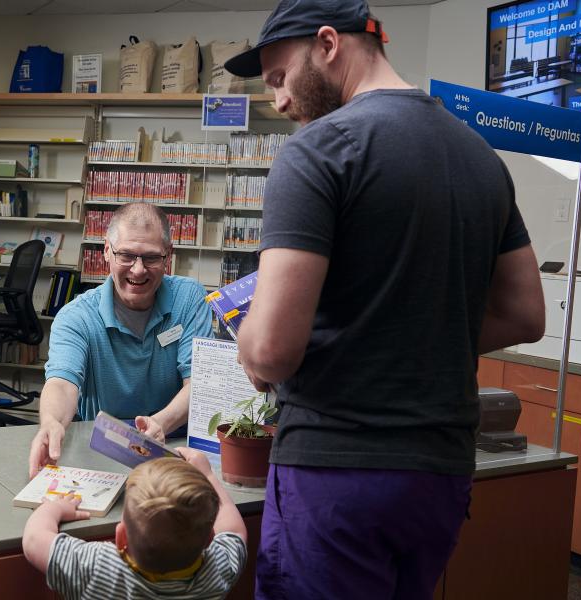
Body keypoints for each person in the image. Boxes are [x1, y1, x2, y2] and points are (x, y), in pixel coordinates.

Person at [224, 1, 545, 598]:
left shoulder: (317, 152)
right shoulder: (481, 157)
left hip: (336, 472)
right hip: (441, 473)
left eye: (279, 78)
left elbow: (270, 353)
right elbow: (525, 315)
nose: (279, 100)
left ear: (327, 44)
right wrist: (410, 326)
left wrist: (246, 331)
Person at [28, 203, 213, 477]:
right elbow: (62, 383)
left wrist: (159, 424)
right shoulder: (75, 317)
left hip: (174, 450)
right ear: (106, 251)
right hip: (100, 453)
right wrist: (52, 423)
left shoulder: (189, 299)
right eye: (126, 255)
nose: (138, 270)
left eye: (151, 258)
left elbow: (199, 380)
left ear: (167, 257)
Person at [22, 449, 247, 599]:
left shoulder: (97, 567)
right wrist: (207, 474)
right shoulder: (217, 570)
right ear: (210, 538)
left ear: (120, 538)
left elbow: (34, 540)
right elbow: (234, 528)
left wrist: (54, 508)